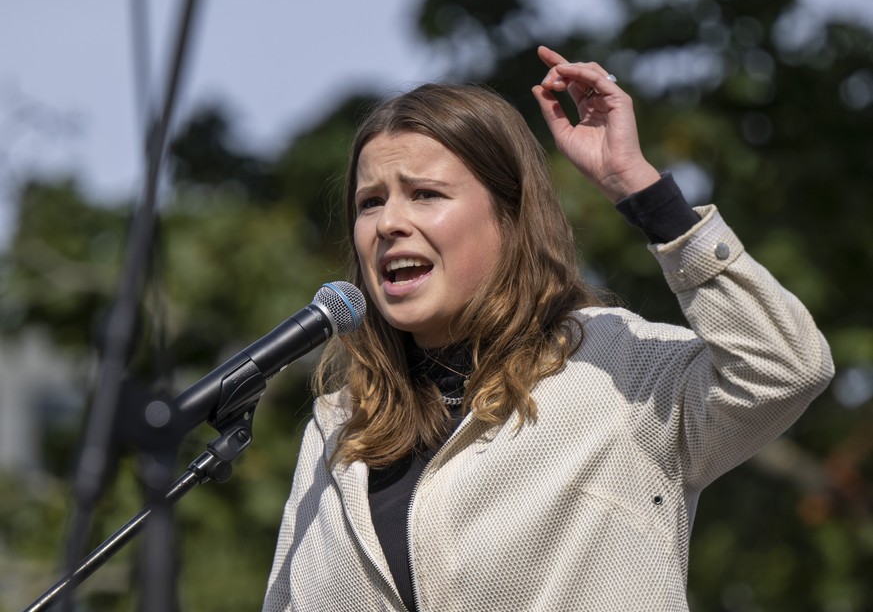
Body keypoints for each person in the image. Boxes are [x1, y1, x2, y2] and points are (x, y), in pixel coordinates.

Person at [261, 45, 833, 611]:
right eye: (370, 202)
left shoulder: (615, 369)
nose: (388, 223)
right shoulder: (341, 425)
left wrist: (644, 192)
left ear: (510, 218)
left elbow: (784, 367)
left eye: (425, 194)